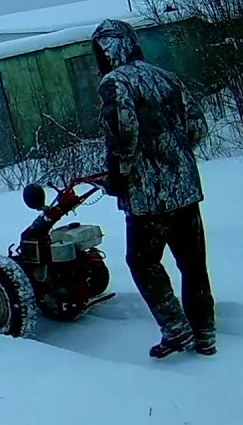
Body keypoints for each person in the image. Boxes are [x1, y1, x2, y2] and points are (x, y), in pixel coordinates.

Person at [90, 18, 216, 358]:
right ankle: (204, 333)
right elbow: (197, 127)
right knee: (192, 264)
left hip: (149, 197)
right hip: (186, 189)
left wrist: (118, 176)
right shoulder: (166, 77)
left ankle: (176, 329)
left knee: (142, 262)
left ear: (108, 49)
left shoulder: (114, 83)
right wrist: (174, 155)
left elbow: (124, 134)